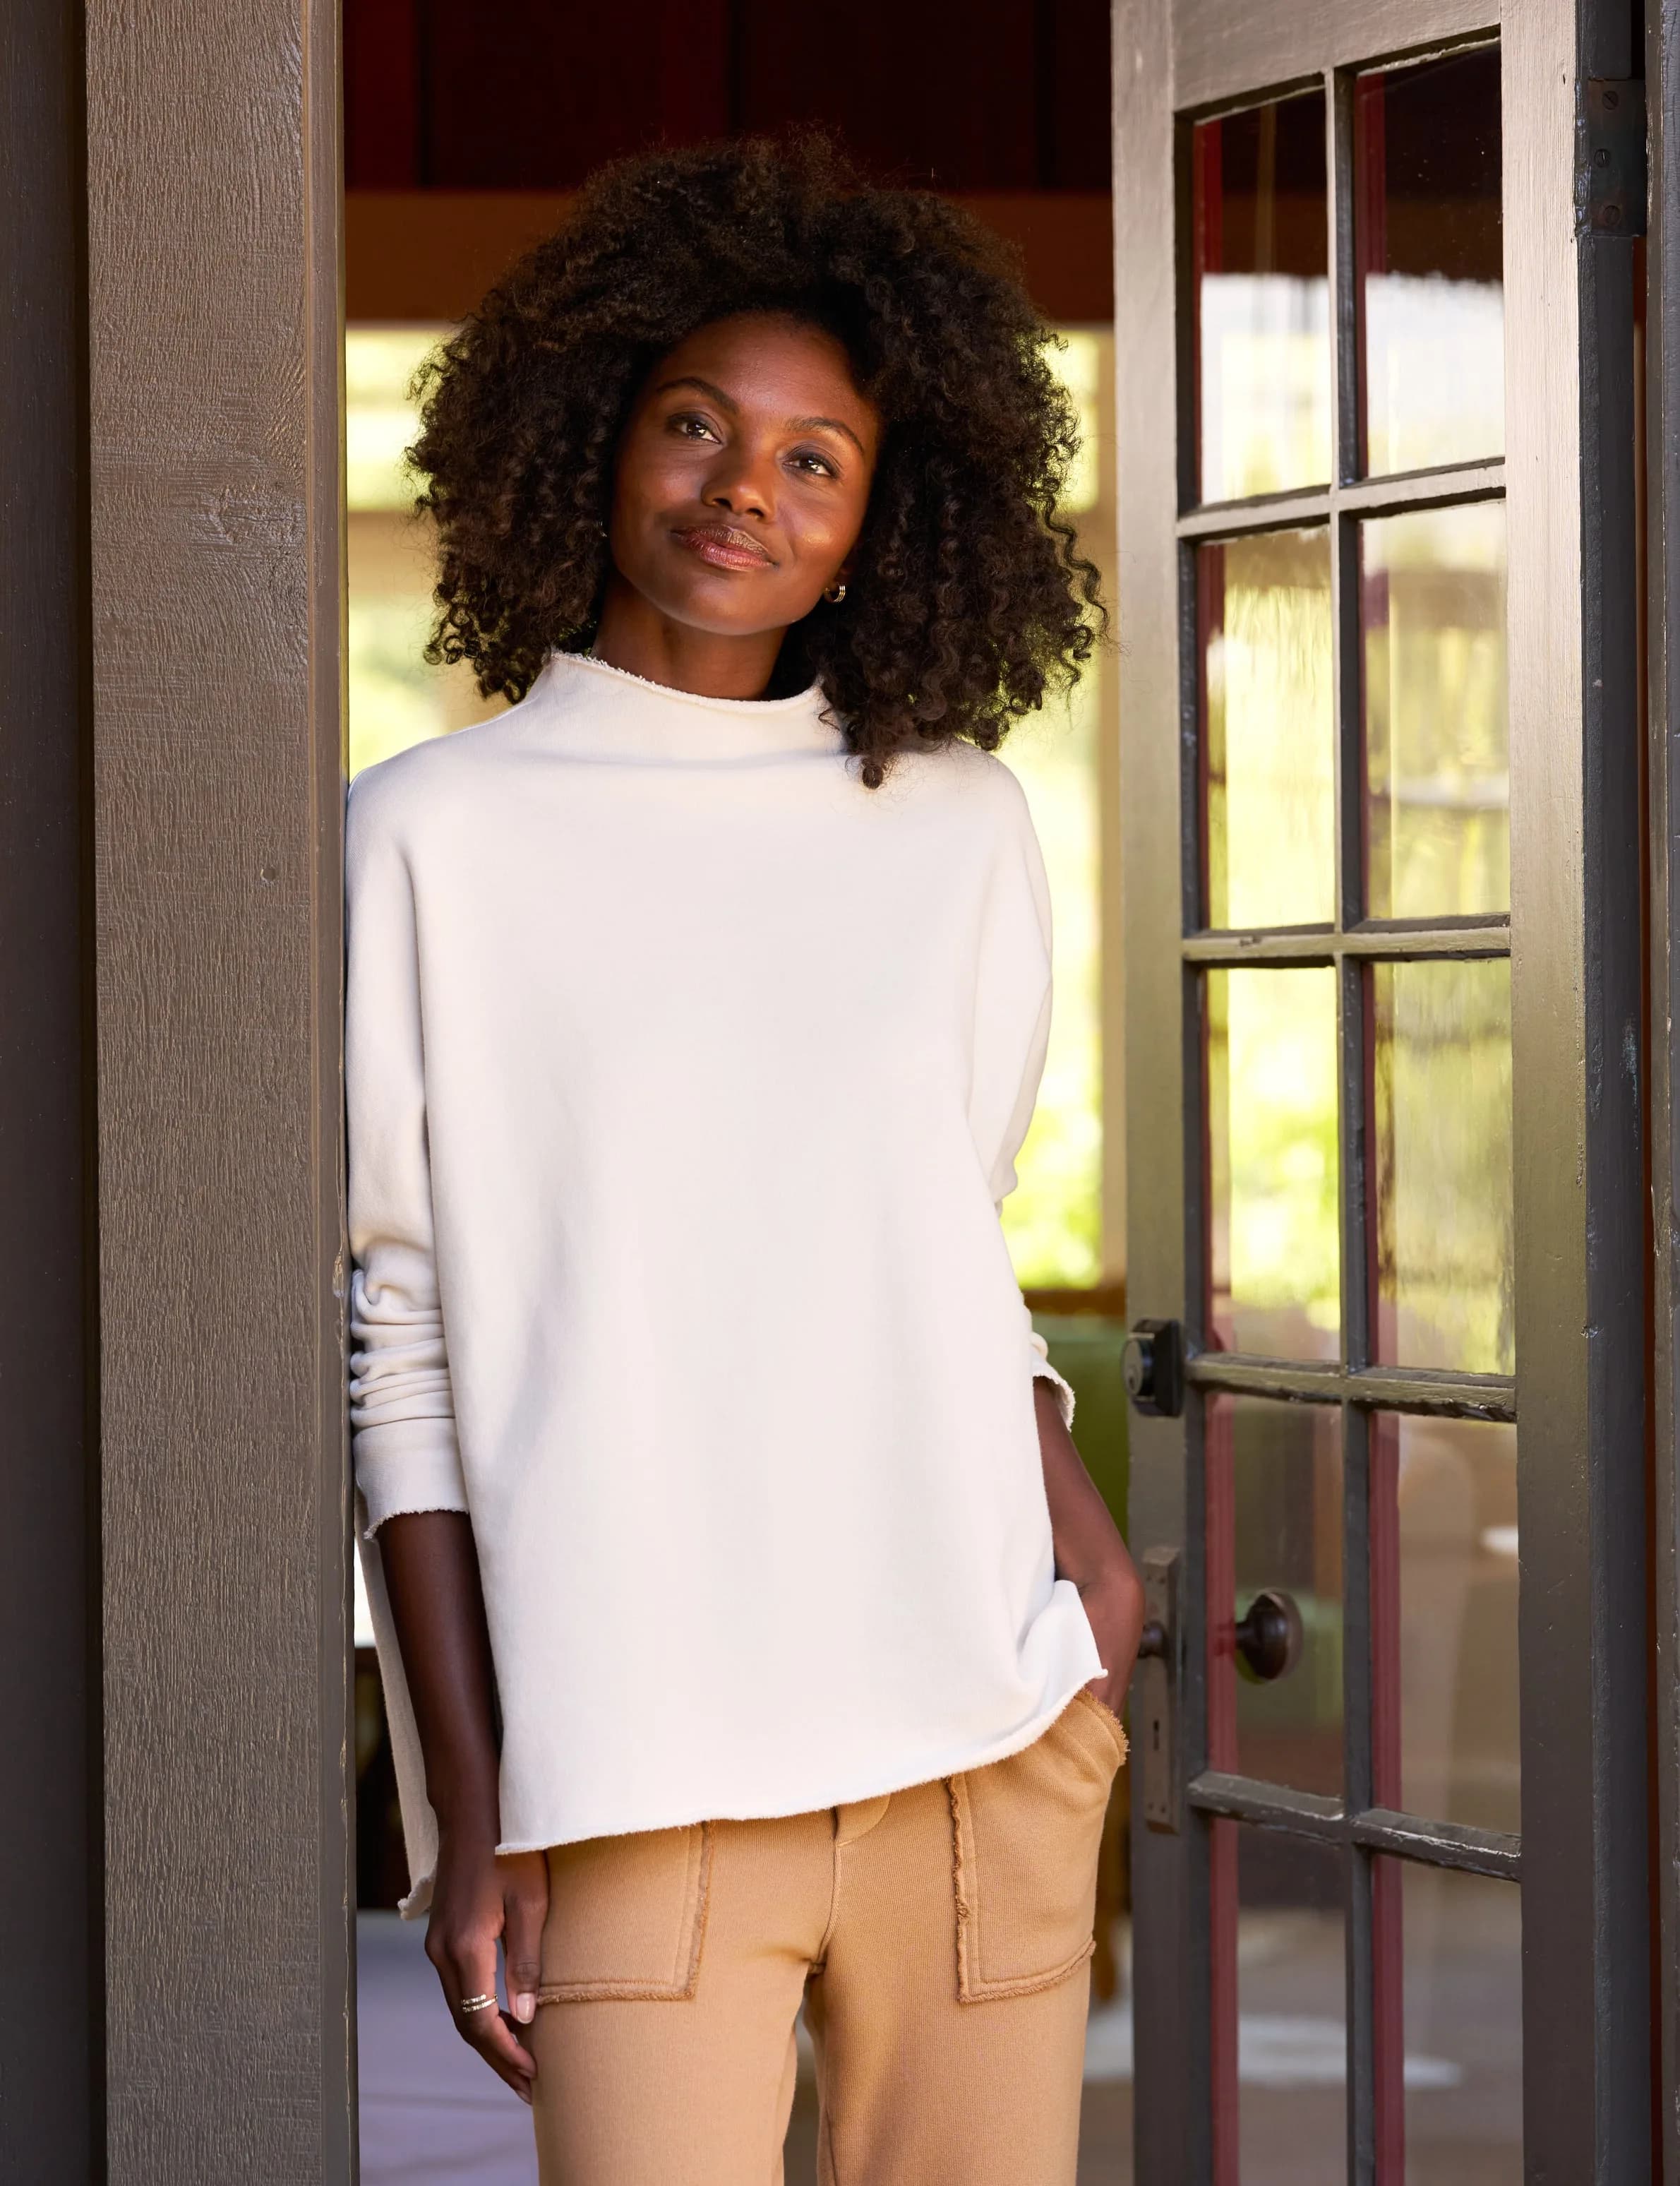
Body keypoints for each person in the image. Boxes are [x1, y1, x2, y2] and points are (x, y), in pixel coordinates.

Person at [347, 135, 1146, 2186]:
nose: (742, 492)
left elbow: (929, 1244)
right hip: (632, 1769)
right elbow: (402, 1332)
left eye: (817, 459)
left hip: (980, 1732)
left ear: (889, 519)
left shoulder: (954, 825)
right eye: (698, 426)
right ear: (596, 437)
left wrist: (1084, 1555)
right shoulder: (431, 835)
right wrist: (473, 1802)